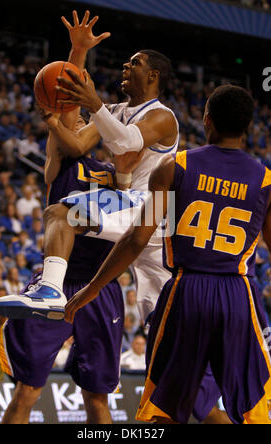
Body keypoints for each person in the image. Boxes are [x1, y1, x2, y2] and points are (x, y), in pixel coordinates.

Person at [0, 9, 229, 425]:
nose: (124, 68)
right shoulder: (105, 121)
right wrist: (77, 54)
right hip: (118, 247)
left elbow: (127, 141)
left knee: (61, 212)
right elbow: (75, 124)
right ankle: (52, 289)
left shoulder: (161, 116)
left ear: (153, 74)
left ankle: (51, 290)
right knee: (166, 333)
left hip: (152, 215)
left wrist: (95, 107)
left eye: (132, 63)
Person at [62, 84, 271, 424]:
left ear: (206, 120)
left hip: (186, 290)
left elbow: (135, 239)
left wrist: (94, 287)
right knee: (252, 408)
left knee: (163, 408)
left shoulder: (175, 166)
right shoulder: (265, 179)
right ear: (248, 126)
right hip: (237, 293)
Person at [0, 11, 125, 425]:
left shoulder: (115, 167)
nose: (78, 118)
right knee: (27, 391)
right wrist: (78, 53)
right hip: (58, 281)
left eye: (86, 117)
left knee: (97, 398)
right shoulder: (59, 155)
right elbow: (67, 108)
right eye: (72, 114)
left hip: (101, 283)